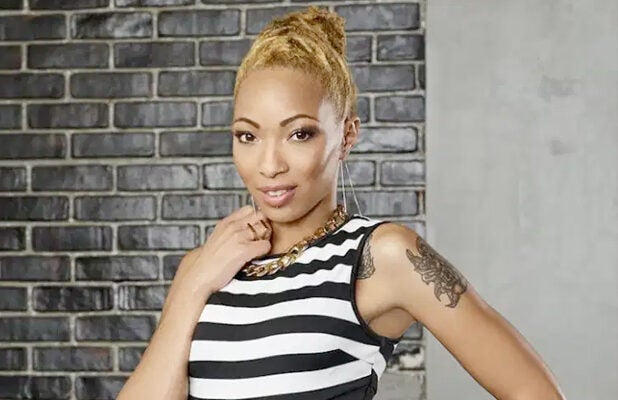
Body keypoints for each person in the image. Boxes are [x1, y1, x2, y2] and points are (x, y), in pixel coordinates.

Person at [117, 6, 566, 400]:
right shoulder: (203, 265)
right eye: (248, 136)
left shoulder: (383, 256)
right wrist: (194, 285)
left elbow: (535, 391)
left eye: (299, 134)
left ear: (347, 135)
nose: (269, 165)